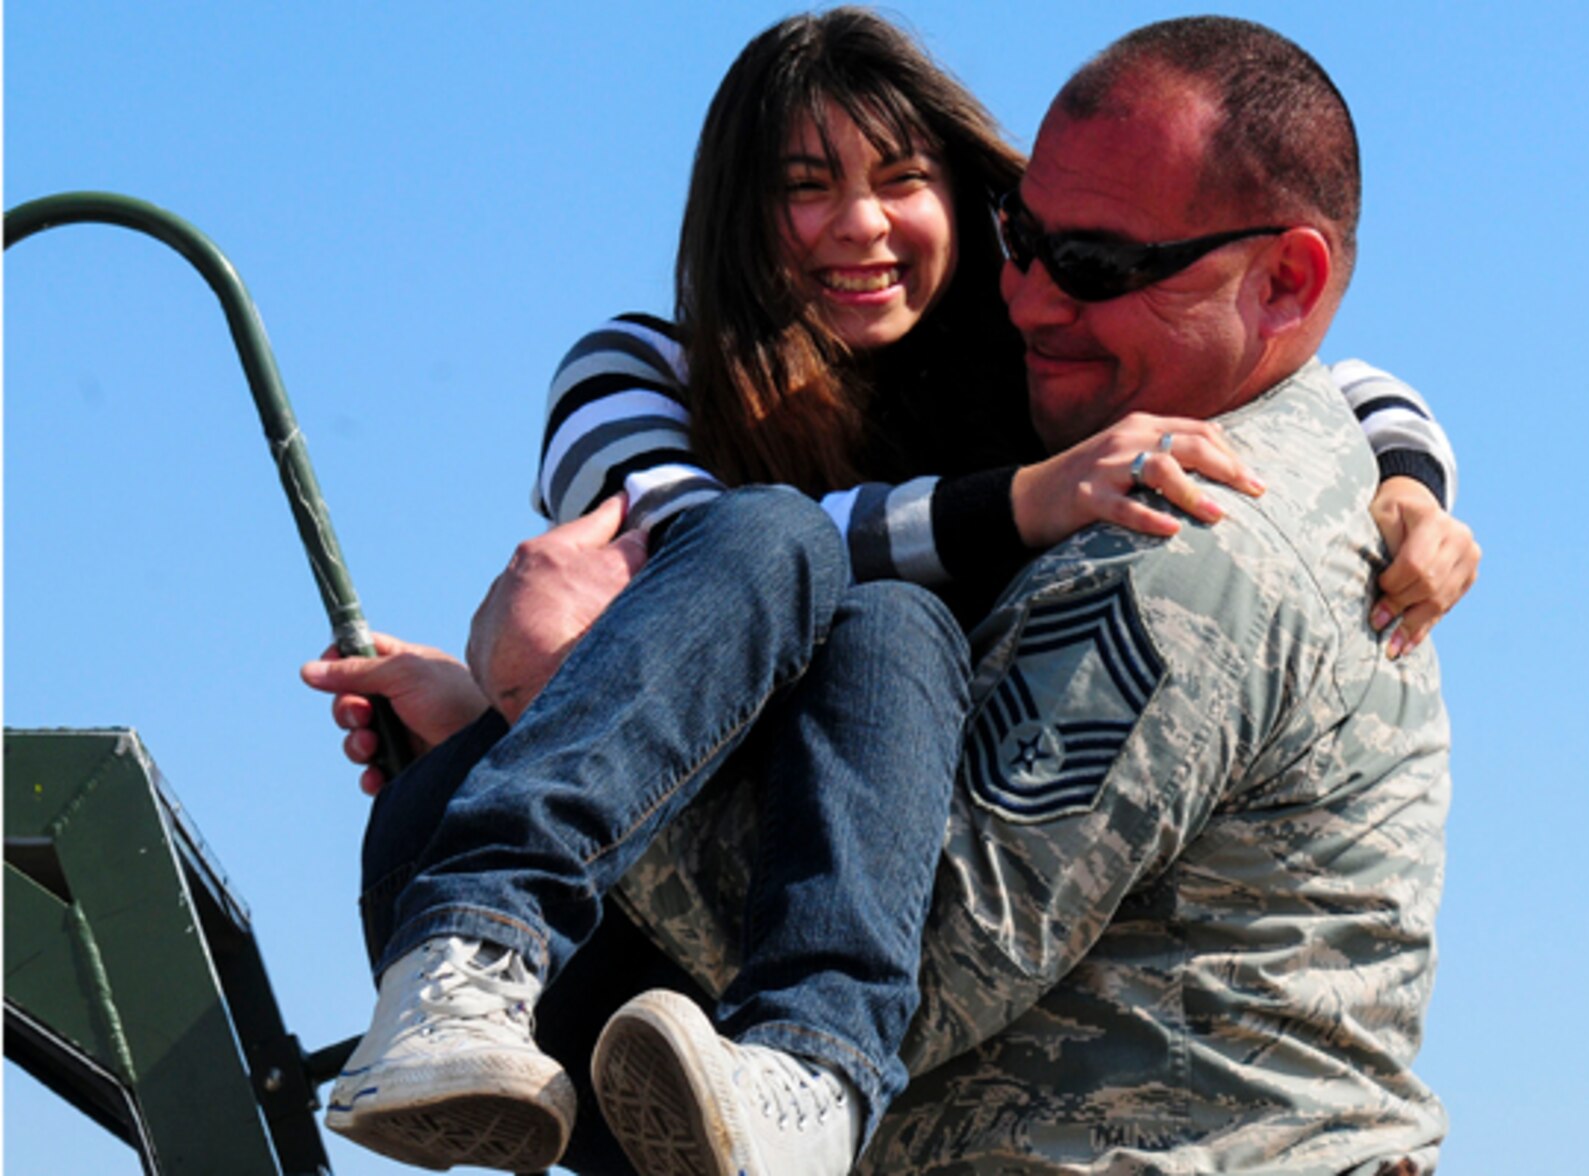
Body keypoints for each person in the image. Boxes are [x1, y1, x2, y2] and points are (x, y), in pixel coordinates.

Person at [303, 9, 1473, 1174]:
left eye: (904, 179)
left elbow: (1335, 375)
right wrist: (531, 700)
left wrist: (1412, 482)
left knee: (890, 626)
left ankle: (805, 1066)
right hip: (643, 951)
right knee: (796, 560)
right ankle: (470, 964)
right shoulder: (649, 372)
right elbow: (703, 558)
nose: (857, 227)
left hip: (811, 991)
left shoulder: (1101, 438)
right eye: (802, 186)